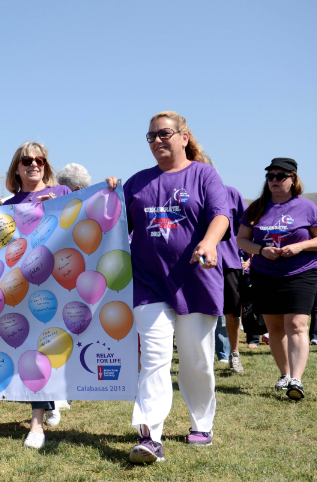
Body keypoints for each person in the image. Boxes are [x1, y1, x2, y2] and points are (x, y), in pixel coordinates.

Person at [112, 111, 231, 464]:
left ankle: (202, 422)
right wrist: (106, 192)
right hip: (149, 283)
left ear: (183, 136)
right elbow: (110, 221)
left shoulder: (204, 174)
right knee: (154, 358)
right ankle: (150, 436)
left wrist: (209, 243)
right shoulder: (136, 183)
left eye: (164, 134)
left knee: (196, 359)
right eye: (151, 137)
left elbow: (221, 215)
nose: (158, 141)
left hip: (197, 280)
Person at [0, 141, 70, 449]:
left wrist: (107, 188)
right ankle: (39, 419)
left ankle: (43, 413)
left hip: (55, 284)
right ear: (16, 167)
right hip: (22, 285)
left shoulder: (62, 193)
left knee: (46, 345)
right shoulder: (9, 202)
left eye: (40, 159)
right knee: (32, 347)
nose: (34, 164)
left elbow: (85, 216)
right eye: (27, 160)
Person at [236, 158, 317, 400]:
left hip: (301, 273)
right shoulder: (257, 208)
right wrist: (261, 250)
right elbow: (241, 240)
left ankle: (297, 380)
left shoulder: (307, 207)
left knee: (297, 325)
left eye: (280, 176)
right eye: (270, 176)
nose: (274, 180)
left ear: (293, 179)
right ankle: (285, 374)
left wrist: (299, 247)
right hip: (265, 274)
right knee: (275, 328)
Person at [221, 185, 248, 372]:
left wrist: (250, 257)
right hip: (196, 263)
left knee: (232, 313)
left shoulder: (230, 193)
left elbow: (246, 227)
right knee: (199, 313)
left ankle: (234, 353)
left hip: (229, 262)